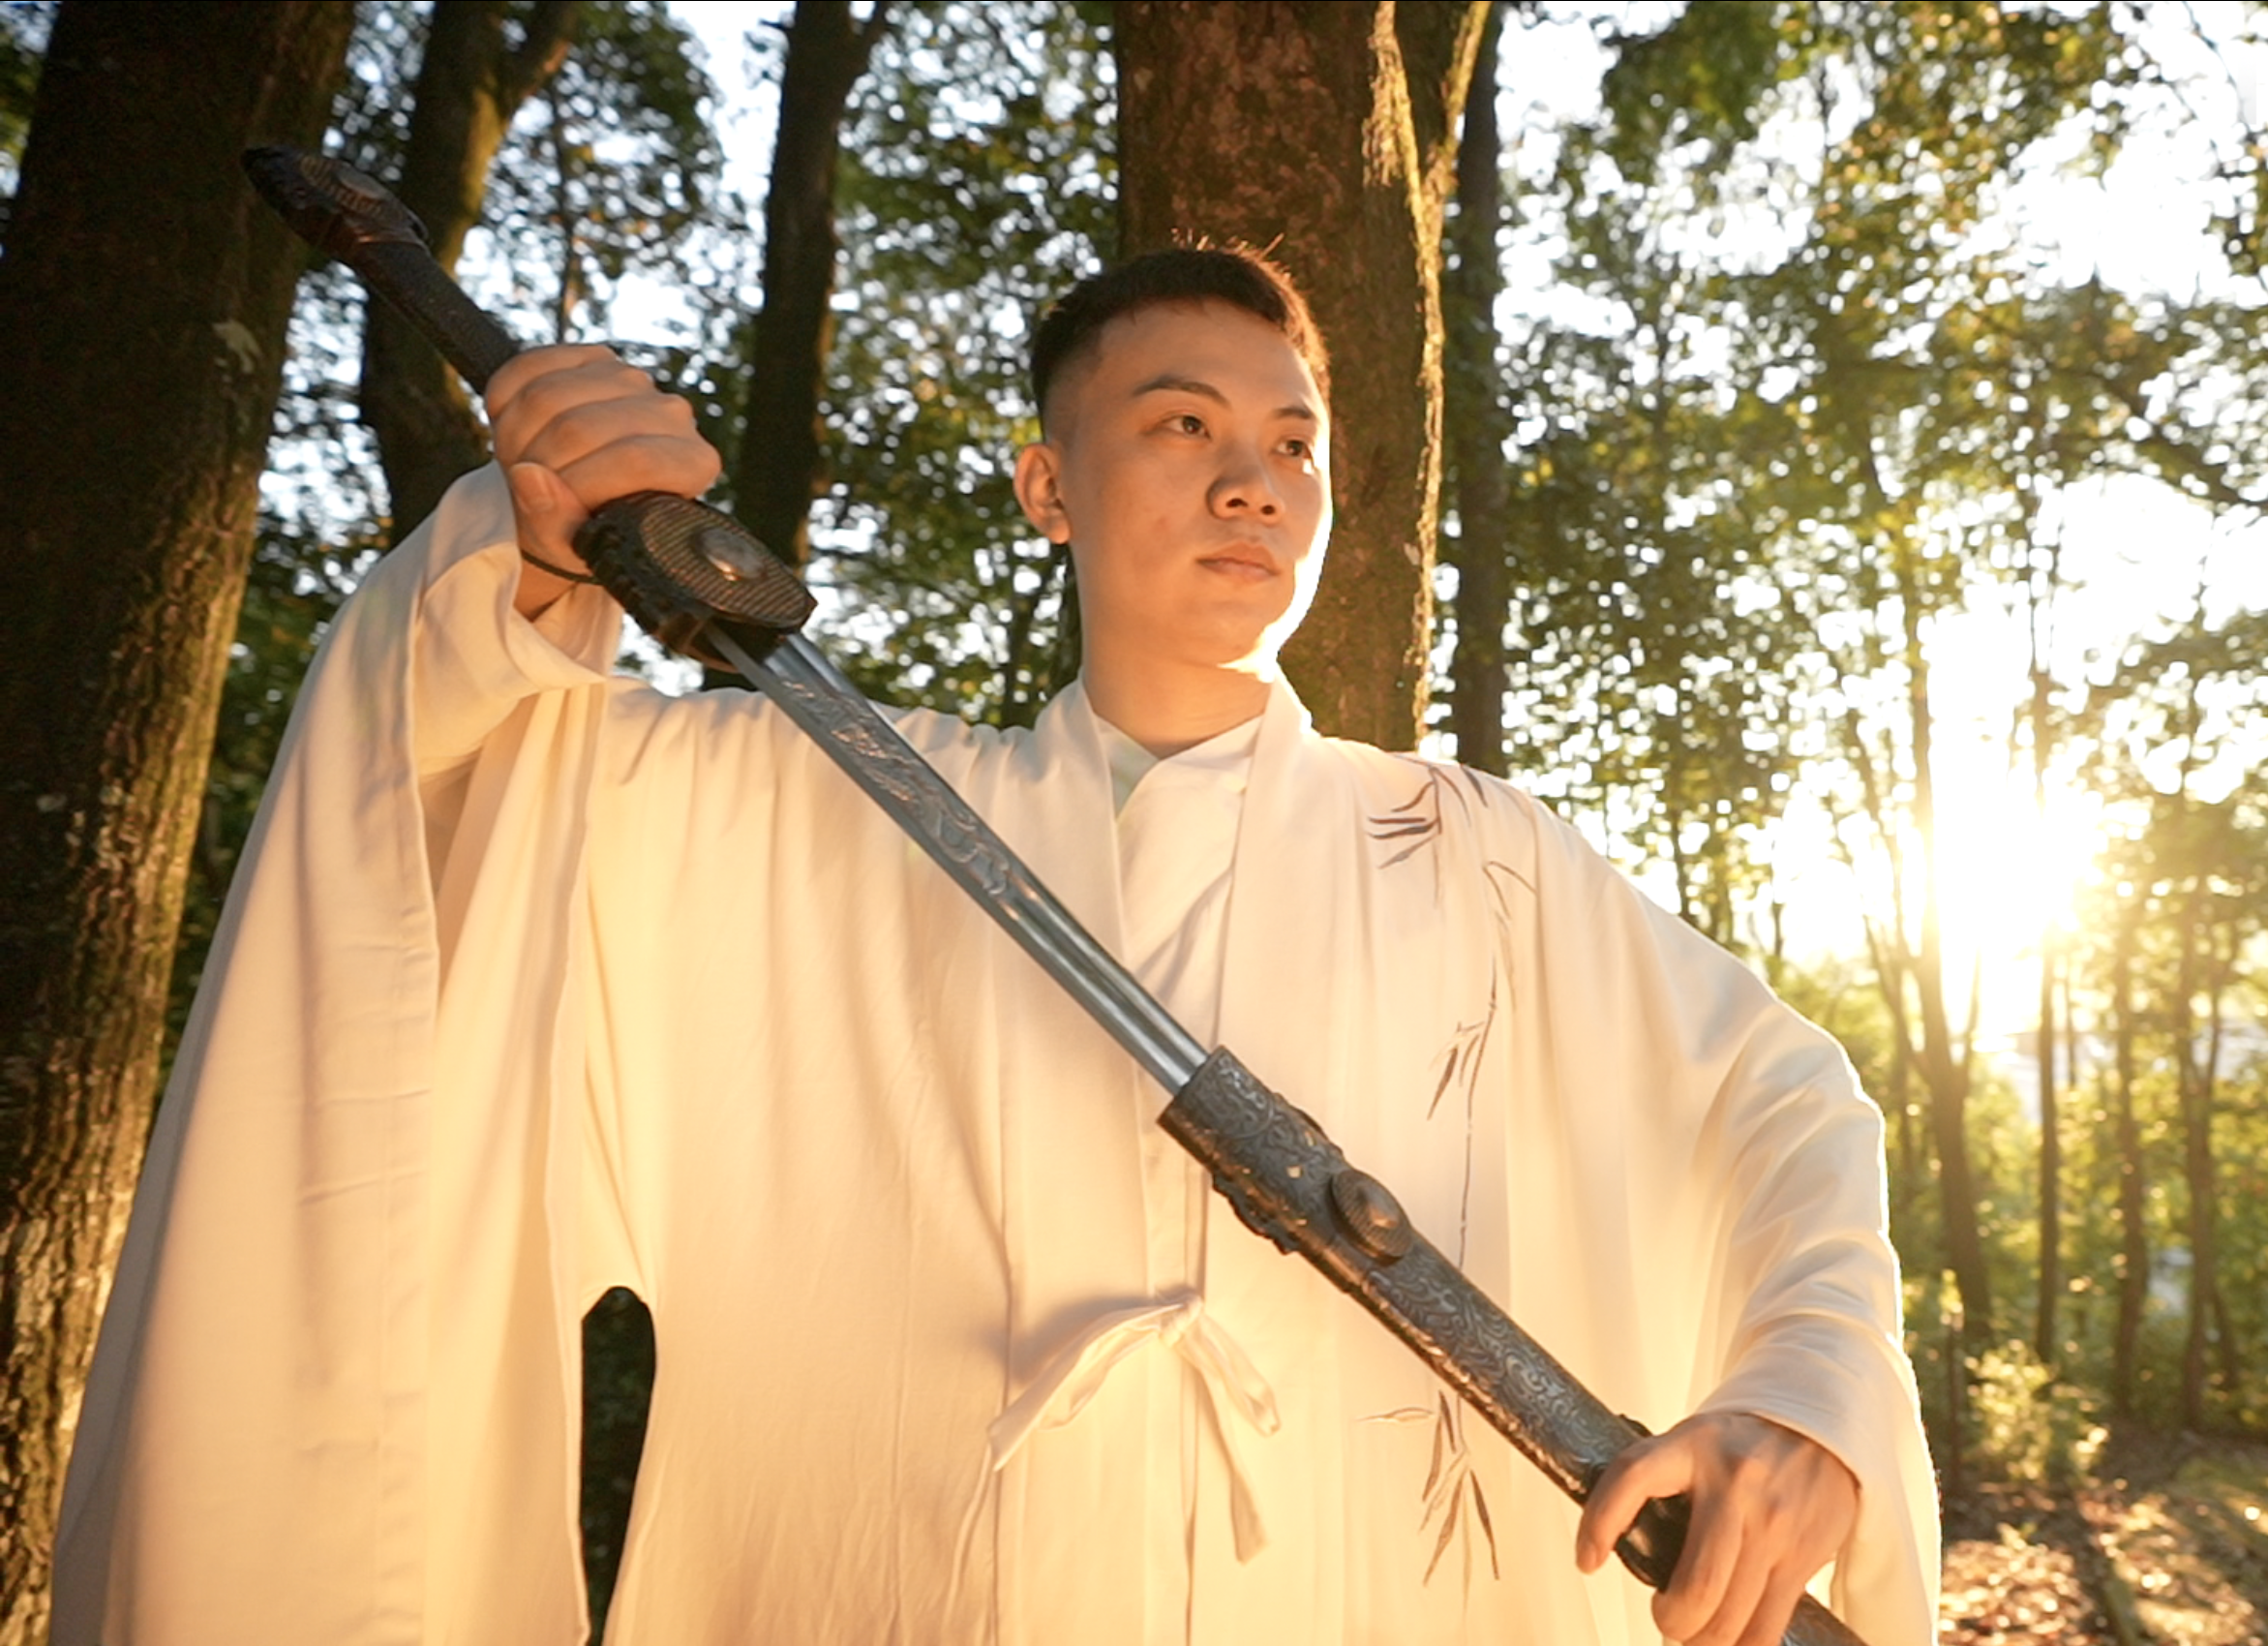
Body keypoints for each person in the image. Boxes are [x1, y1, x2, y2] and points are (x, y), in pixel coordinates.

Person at [57, 248, 1937, 1646]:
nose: (1252, 478)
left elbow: (1781, 1103)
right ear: (1046, 486)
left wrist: (1804, 1391)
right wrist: (530, 567)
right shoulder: (815, 810)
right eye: (1181, 423)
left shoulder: (1481, 858)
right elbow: (447, 825)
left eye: (1293, 441)